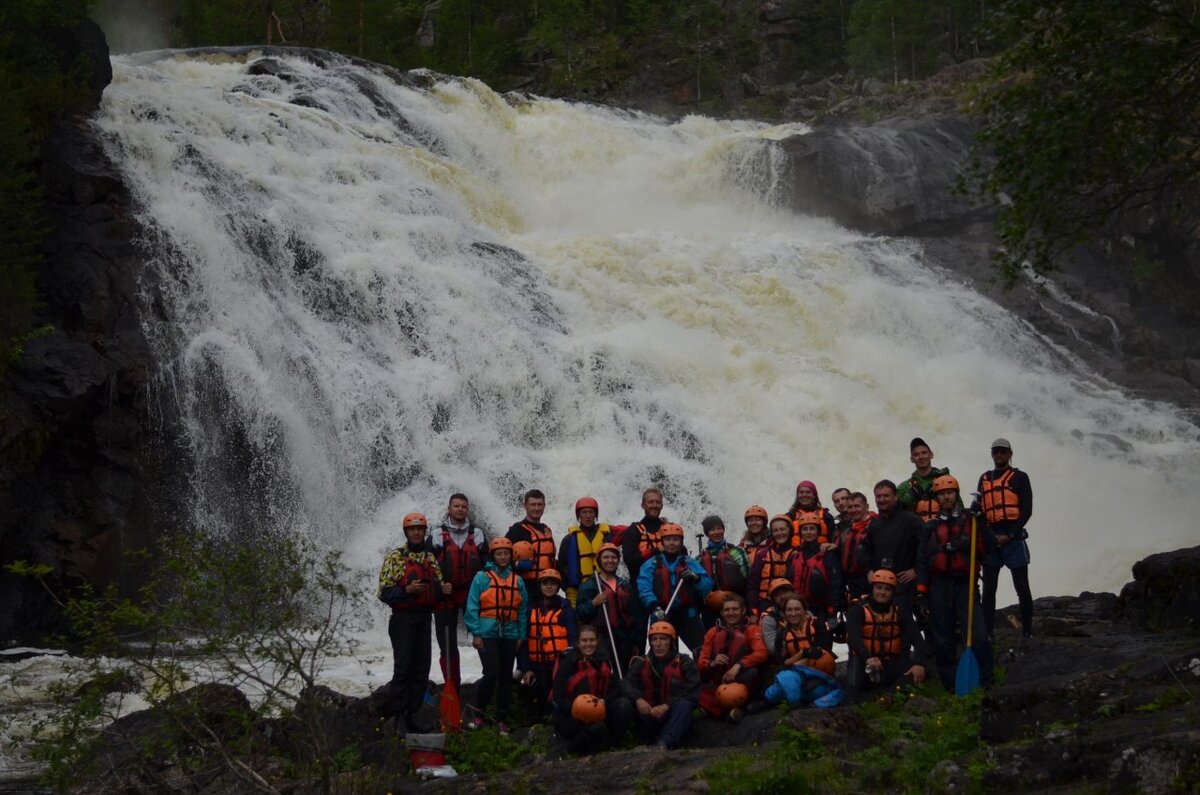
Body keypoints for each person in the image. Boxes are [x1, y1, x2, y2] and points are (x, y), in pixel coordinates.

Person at [917, 475, 994, 690]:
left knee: (978, 635)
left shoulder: (972, 520)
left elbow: (988, 547)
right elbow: (922, 561)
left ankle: (986, 680)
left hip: (965, 585)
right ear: (937, 498)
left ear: (956, 495)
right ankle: (950, 685)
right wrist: (922, 593)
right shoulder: (930, 527)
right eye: (942, 494)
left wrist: (983, 521)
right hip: (939, 587)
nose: (946, 497)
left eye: (949, 493)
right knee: (943, 641)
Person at [377, 511, 451, 731]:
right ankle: (398, 716)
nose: (417, 532)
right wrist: (405, 590)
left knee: (422, 667)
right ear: (406, 532)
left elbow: (436, 589)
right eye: (412, 529)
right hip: (402, 619)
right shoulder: (395, 557)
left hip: (424, 617)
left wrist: (442, 589)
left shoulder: (429, 558)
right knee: (403, 666)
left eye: (420, 529)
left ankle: (413, 713)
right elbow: (383, 592)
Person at [464, 538, 530, 733]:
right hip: (487, 633)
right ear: (493, 556)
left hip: (510, 633)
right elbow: (472, 606)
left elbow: (523, 610)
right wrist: (476, 634)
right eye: (499, 553)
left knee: (505, 676)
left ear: (511, 556)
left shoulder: (517, 580)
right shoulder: (482, 578)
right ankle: (479, 715)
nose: (503, 556)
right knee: (491, 671)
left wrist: (521, 635)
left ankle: (502, 719)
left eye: (506, 553)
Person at [976, 437, 1034, 638]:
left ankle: (1027, 631)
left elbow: (1026, 510)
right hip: (992, 540)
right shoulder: (984, 479)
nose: (999, 455)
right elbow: (980, 513)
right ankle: (988, 633)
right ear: (992, 454)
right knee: (989, 589)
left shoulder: (1020, 477)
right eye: (995, 452)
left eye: (1003, 451)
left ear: (1010, 454)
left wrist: (1010, 535)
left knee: (1022, 587)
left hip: (1014, 539)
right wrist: (990, 537)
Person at [433, 493, 488, 689]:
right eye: (456, 506)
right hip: (445, 596)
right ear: (449, 508)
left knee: (482, 636)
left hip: (471, 595)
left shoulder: (478, 534)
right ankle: (451, 686)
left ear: (467, 509)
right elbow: (429, 566)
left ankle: (489, 679)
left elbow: (487, 564)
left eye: (463, 506)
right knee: (447, 644)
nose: (460, 509)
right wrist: (438, 586)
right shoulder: (436, 534)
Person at [550, 625, 634, 753]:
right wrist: (578, 709)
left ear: (597, 641)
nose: (588, 644)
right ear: (578, 643)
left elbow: (616, 688)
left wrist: (603, 702)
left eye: (592, 640)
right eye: (584, 640)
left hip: (599, 708)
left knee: (624, 705)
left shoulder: (603, 659)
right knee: (596, 729)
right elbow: (557, 696)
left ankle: (613, 745)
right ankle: (575, 748)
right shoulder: (567, 663)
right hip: (573, 714)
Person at [845, 570, 929, 696]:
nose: (882, 593)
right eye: (879, 588)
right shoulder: (857, 610)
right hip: (865, 663)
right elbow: (853, 639)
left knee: (920, 672)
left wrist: (919, 663)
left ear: (893, 592)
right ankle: (857, 699)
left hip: (890, 662)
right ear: (872, 589)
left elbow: (918, 639)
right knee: (853, 688)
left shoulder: (900, 611)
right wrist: (868, 658)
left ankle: (890, 695)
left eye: (887, 589)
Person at [621, 621, 702, 749]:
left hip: (672, 715)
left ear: (671, 642)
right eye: (654, 639)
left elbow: (693, 693)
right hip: (649, 715)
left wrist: (667, 705)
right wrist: (638, 699)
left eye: (663, 639)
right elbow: (625, 684)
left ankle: (665, 743)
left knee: (685, 705)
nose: (658, 644)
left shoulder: (685, 662)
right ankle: (636, 739)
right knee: (624, 702)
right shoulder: (641, 662)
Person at [756, 596, 843, 710]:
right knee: (773, 691)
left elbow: (820, 654)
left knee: (812, 688)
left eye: (797, 609)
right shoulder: (781, 635)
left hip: (816, 675)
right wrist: (803, 653)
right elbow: (783, 663)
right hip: (794, 675)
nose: (793, 613)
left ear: (804, 610)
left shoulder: (818, 625)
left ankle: (794, 702)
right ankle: (796, 699)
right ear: (784, 612)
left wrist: (797, 663)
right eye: (789, 610)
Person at [638, 523, 713, 652]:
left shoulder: (690, 563)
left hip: (687, 614)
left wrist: (696, 578)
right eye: (668, 539)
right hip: (661, 613)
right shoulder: (651, 564)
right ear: (662, 542)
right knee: (662, 655)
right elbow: (644, 587)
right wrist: (654, 607)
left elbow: (707, 587)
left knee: (702, 652)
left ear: (681, 542)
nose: (671, 543)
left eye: (675, 539)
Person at [518, 569, 578, 721]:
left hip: (558, 665)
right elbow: (523, 642)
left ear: (558, 587)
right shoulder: (530, 610)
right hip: (536, 665)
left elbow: (573, 639)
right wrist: (525, 669)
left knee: (557, 697)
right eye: (545, 583)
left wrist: (567, 666)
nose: (549, 587)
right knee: (532, 694)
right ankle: (534, 722)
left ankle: (555, 721)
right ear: (540, 586)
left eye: (553, 584)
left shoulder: (566, 610)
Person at [697, 594, 768, 721]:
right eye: (727, 610)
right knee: (694, 691)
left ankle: (729, 710)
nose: (731, 613)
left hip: (740, 679)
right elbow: (701, 662)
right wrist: (713, 663)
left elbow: (761, 653)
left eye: (735, 609)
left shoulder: (751, 629)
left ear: (743, 611)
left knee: (753, 673)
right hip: (718, 681)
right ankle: (729, 712)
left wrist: (738, 665)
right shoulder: (712, 633)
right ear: (722, 613)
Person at [858, 480, 926, 612]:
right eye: (878, 496)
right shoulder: (874, 524)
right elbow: (863, 549)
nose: (882, 500)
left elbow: (928, 547)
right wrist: (869, 571)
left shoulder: (911, 521)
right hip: (879, 590)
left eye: (886, 496)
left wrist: (916, 570)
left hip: (904, 588)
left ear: (896, 497)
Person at [575, 542, 639, 670]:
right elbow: (579, 614)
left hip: (624, 637)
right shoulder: (590, 585)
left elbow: (634, 613)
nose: (610, 561)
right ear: (599, 560)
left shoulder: (625, 585)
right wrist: (593, 603)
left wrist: (635, 641)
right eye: (606, 557)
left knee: (625, 671)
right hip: (602, 638)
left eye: (613, 557)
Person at [507, 489, 558, 606]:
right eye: (533, 505)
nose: (536, 508)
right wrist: (516, 565)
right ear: (525, 506)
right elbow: (498, 558)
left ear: (544, 506)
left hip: (546, 587)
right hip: (525, 588)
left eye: (540, 505)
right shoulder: (517, 530)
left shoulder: (546, 530)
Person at [558, 497, 612, 607]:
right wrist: (567, 587)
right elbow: (561, 566)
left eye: (591, 512)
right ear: (579, 515)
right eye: (584, 512)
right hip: (576, 590)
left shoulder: (606, 536)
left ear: (595, 515)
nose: (587, 516)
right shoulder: (568, 539)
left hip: (601, 588)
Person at [697, 515, 749, 627]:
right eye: (712, 529)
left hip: (734, 605)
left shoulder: (737, 552)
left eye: (719, 528)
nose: (716, 532)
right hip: (710, 609)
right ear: (707, 533)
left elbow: (748, 580)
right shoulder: (700, 558)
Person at [793, 517, 844, 627]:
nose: (808, 532)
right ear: (800, 532)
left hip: (822, 609)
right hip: (798, 609)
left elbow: (835, 583)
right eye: (805, 529)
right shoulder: (796, 555)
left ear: (818, 532)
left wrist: (833, 608)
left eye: (812, 529)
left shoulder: (828, 554)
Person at [897, 437, 960, 522]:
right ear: (912, 459)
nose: (921, 457)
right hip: (916, 533)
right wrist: (910, 496)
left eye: (924, 453)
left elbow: (960, 509)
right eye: (916, 454)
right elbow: (894, 514)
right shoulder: (904, 487)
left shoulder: (947, 481)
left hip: (943, 531)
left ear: (931, 455)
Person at [746, 515, 799, 614]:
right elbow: (753, 585)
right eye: (775, 530)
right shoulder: (762, 554)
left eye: (782, 529)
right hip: (765, 603)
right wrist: (753, 611)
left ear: (790, 531)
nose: (779, 533)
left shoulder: (798, 554)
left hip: (790, 605)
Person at [621, 487, 668, 585]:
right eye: (650, 502)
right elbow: (630, 562)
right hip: (640, 585)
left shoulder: (668, 528)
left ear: (662, 506)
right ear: (643, 505)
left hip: (666, 585)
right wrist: (655, 550)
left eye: (658, 502)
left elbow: (682, 553)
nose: (654, 505)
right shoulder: (633, 530)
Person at [840, 492, 875, 607]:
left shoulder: (876, 526)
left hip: (870, 579)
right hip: (852, 580)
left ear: (867, 507)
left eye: (857, 506)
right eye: (850, 507)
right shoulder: (850, 528)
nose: (853, 510)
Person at [787, 480, 836, 546]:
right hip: (796, 554)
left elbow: (833, 540)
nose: (804, 495)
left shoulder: (826, 516)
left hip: (821, 554)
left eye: (808, 492)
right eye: (801, 492)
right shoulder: (790, 516)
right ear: (797, 496)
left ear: (814, 496)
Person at [756, 579, 797, 655]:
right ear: (773, 600)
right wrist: (783, 632)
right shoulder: (768, 618)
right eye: (777, 595)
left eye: (785, 592)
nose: (783, 597)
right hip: (782, 661)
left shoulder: (805, 612)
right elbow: (773, 648)